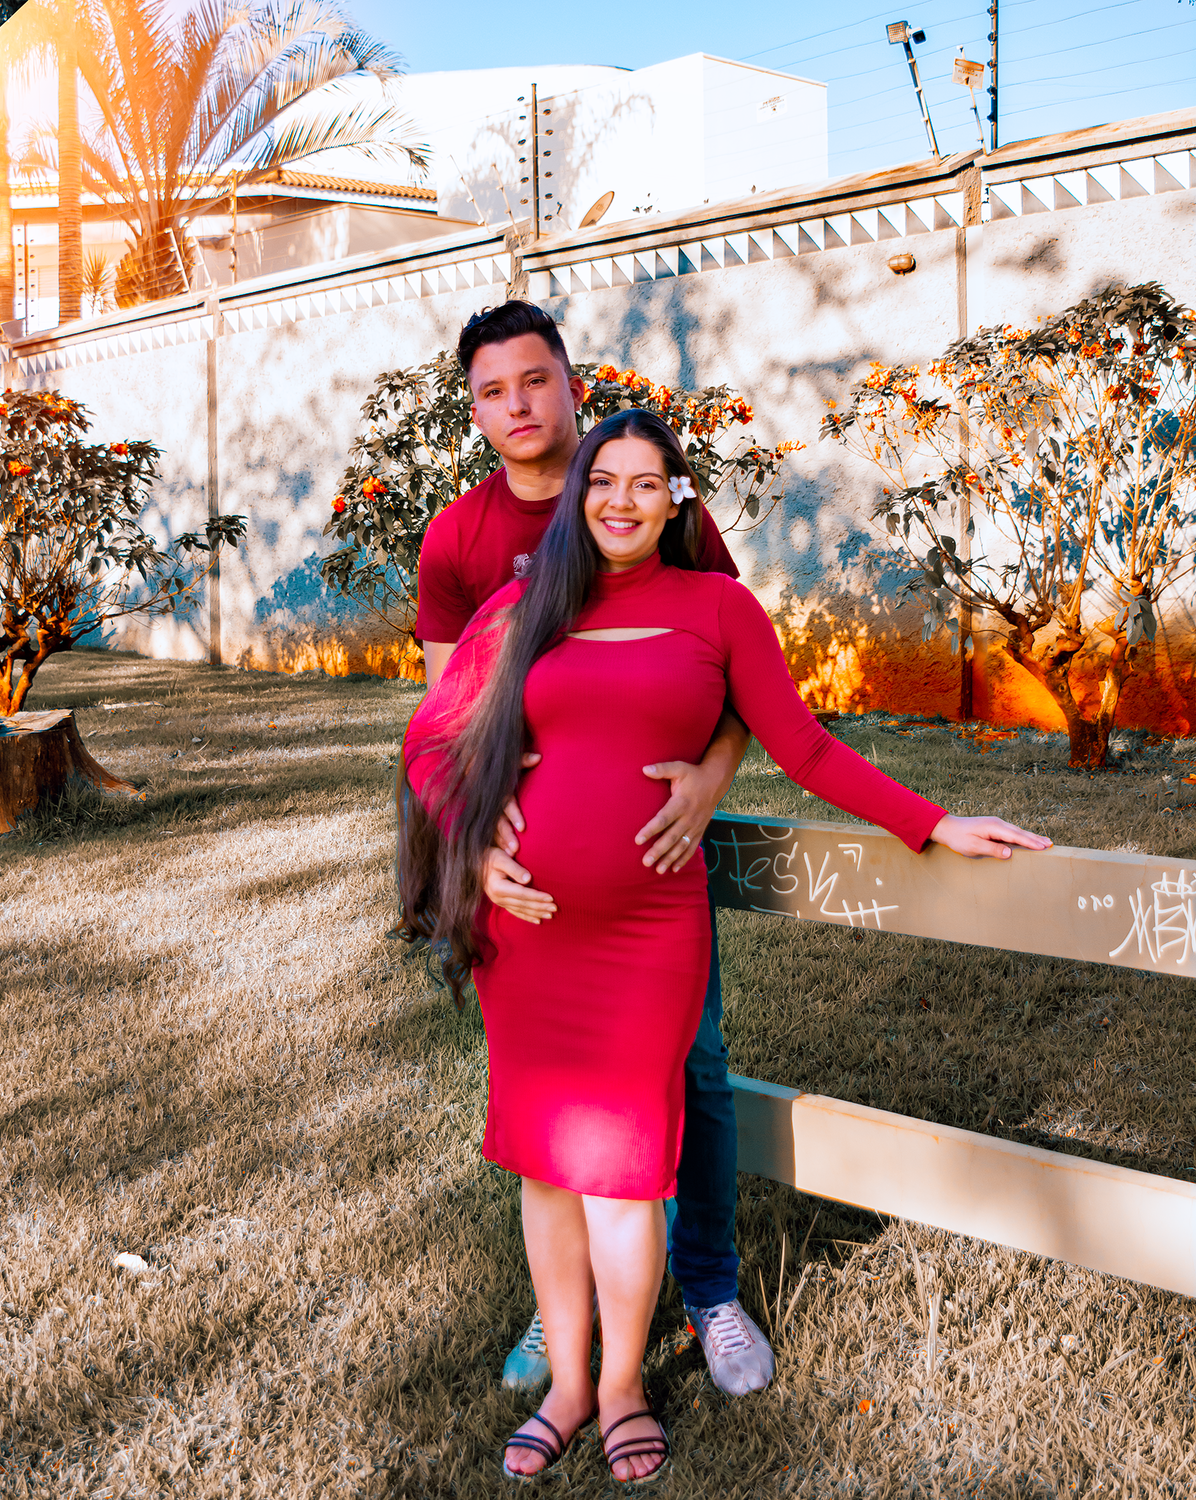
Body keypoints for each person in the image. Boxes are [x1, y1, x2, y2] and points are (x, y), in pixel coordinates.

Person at [398, 409, 1051, 1483]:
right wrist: (474, 845)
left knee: (623, 1168)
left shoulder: (718, 608)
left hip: (648, 939)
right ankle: (567, 1386)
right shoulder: (524, 608)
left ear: (677, 500)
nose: (619, 501)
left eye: (644, 483)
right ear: (579, 494)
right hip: (528, 936)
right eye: (602, 481)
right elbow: (432, 741)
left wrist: (931, 822)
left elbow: (804, 747)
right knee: (547, 1169)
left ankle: (620, 1387)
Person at [416, 300, 774, 1399]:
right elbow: (445, 722)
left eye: (536, 379)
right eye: (493, 391)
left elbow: (735, 669)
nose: (518, 405)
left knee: (693, 1069)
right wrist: (477, 836)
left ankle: (706, 1286)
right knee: (552, 1109)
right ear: (474, 411)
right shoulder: (459, 540)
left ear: (572, 383)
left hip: (651, 882)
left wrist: (712, 777)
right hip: (530, 892)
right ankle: (566, 1312)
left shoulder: (649, 486)